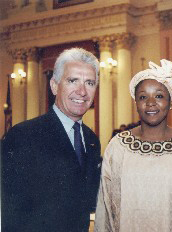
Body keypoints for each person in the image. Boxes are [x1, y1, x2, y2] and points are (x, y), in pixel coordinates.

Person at [94, 59, 172, 231]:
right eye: (143, 97)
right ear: (136, 103)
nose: (150, 102)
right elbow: (106, 208)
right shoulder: (118, 146)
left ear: (170, 102)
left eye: (159, 95)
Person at [2, 48, 102, 232]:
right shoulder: (23, 135)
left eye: (90, 83)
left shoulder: (91, 140)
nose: (82, 91)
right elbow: (9, 212)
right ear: (54, 86)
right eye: (73, 81)